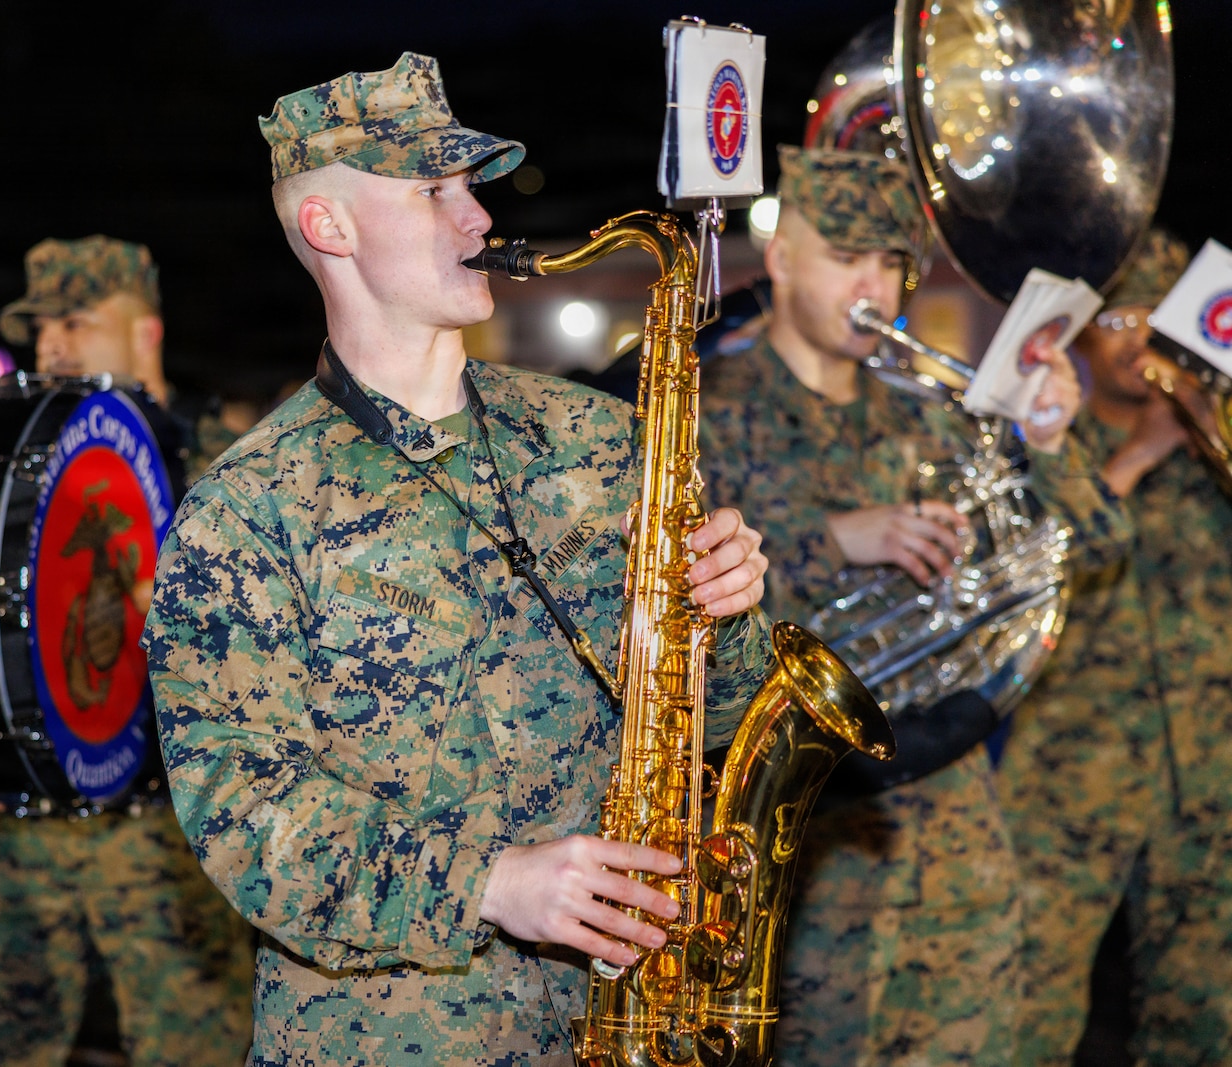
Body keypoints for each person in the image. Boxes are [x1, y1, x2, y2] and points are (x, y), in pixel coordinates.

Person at [144, 52, 775, 1066]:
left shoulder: (601, 440)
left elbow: (718, 716)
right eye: (433, 190)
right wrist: (491, 883)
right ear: (329, 226)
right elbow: (243, 820)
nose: (476, 217)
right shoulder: (246, 509)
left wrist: (725, 608)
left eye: (470, 187)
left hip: (623, 1017)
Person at [697, 145, 1132, 1067]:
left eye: (893, 262)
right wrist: (832, 535)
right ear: (779, 258)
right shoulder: (707, 410)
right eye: (847, 256)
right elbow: (680, 620)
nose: (876, 285)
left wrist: (1049, 443)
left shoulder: (933, 414)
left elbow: (1096, 551)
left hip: (958, 828)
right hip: (810, 847)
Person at [0, 235, 254, 1067]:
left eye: (76, 321)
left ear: (144, 331)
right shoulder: (8, 464)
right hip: (12, 827)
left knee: (197, 1050)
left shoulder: (222, 462)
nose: (50, 345)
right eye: (39, 326)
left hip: (161, 832)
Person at [999, 230, 1232, 1066]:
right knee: (1029, 1005)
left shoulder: (1216, 449)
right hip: (1069, 773)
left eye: (1158, 318)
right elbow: (1019, 575)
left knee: (1207, 1018)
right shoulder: (1041, 446)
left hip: (1209, 774)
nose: (1139, 340)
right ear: (1084, 332)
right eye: (1121, 316)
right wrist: (1139, 455)